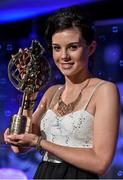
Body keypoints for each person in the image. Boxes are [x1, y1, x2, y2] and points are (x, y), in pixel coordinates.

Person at [4, 6, 120, 179]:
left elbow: (100, 163)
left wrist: (40, 142)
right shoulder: (52, 92)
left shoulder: (104, 90)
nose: (63, 56)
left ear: (91, 48)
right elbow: (19, 147)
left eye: (72, 47)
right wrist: (30, 91)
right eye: (57, 48)